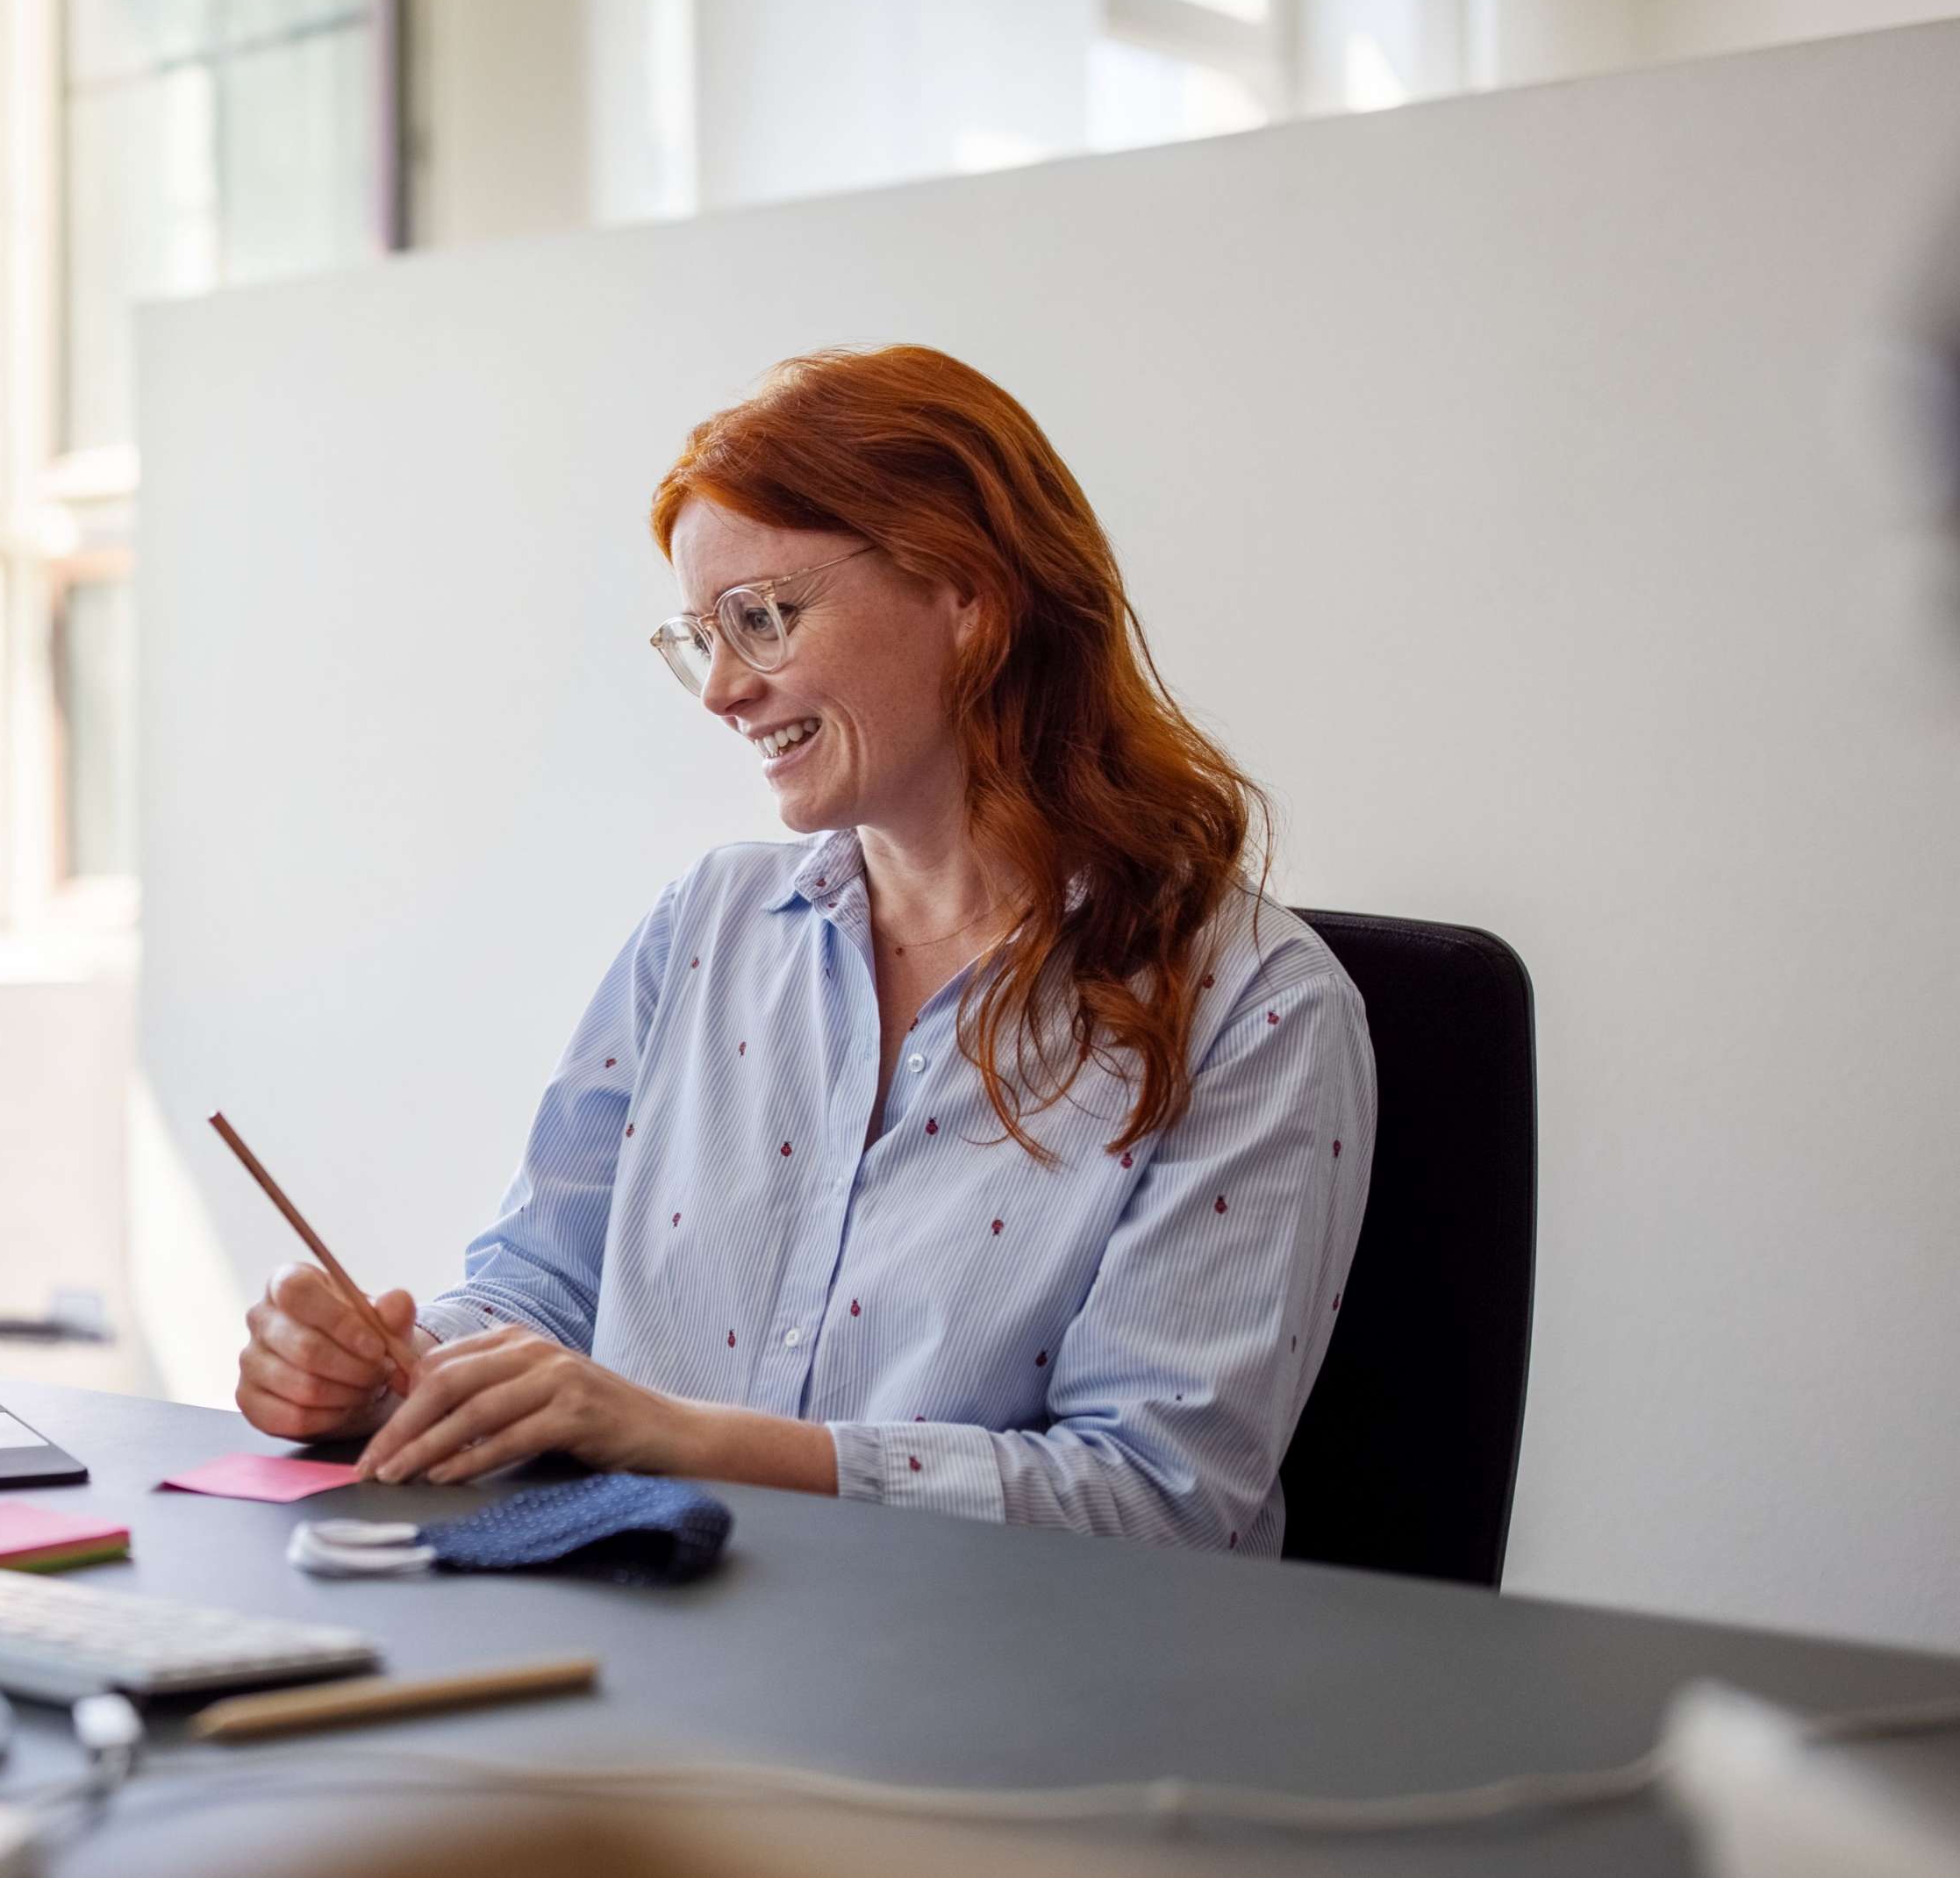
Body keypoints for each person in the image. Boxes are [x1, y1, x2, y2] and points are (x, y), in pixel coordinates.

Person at [237, 345, 1377, 1554]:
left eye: (762, 618)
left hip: (995, 1710)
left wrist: (685, 1438)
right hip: (648, 1638)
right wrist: (389, 1367)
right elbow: (539, 1297)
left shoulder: (1254, 1008)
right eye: (698, 638)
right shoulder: (703, 927)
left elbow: (1155, 1501)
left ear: (969, 594)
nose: (723, 690)